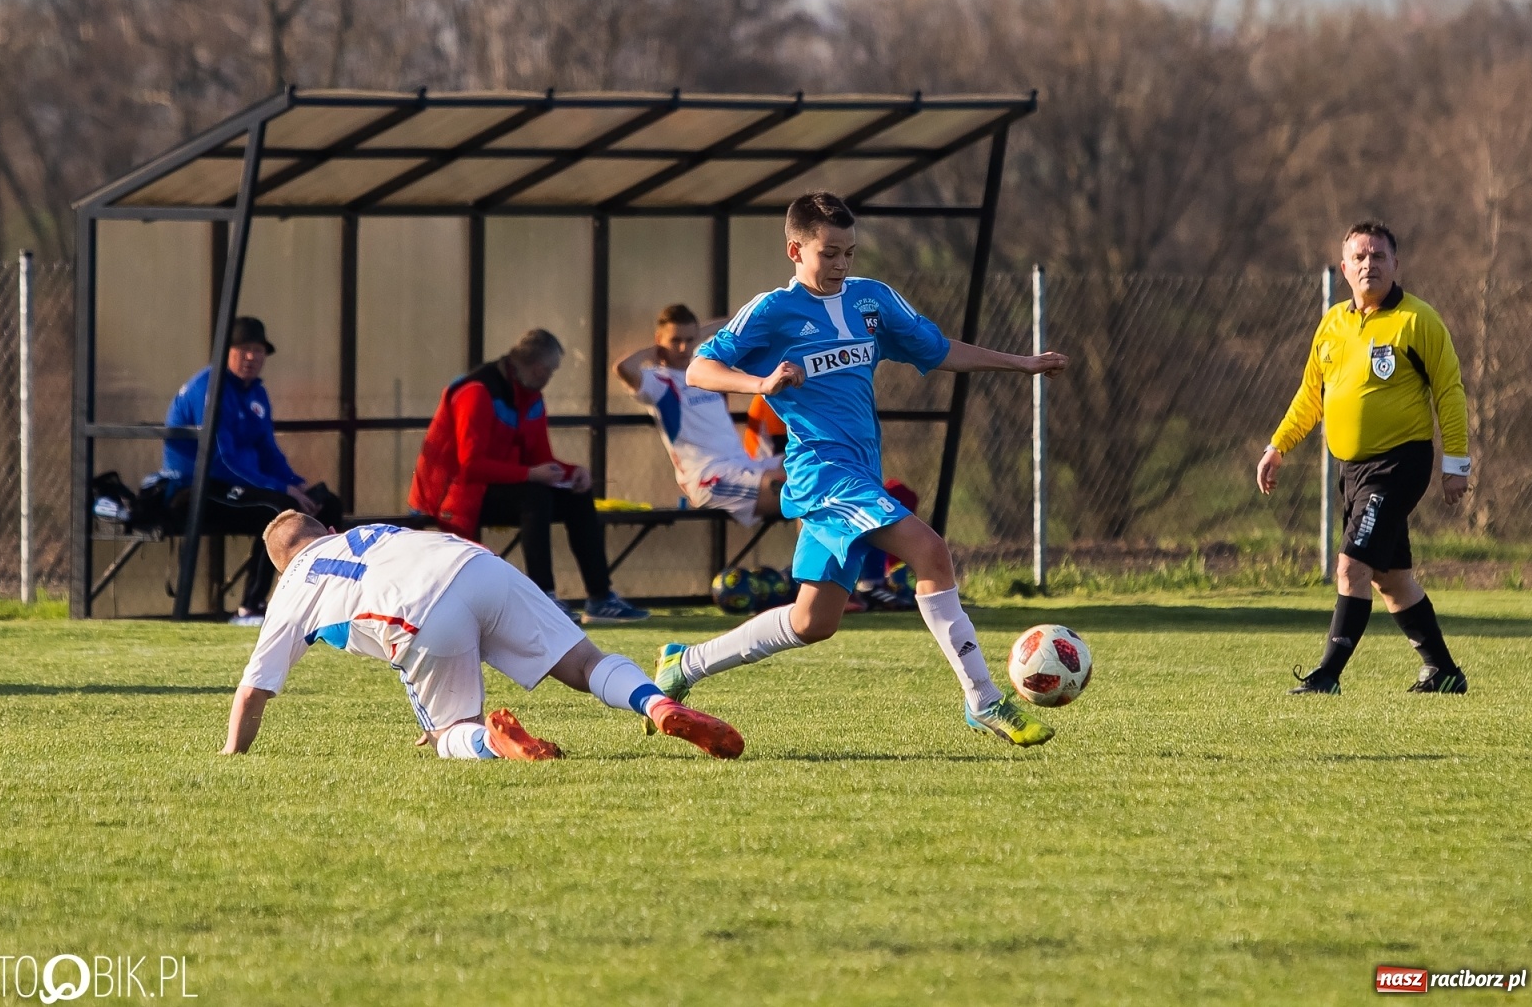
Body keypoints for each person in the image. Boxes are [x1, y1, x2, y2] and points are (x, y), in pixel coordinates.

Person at [646, 191, 1070, 747]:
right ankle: (984, 699)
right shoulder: (773, 311)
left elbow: (937, 349)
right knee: (930, 552)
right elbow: (700, 369)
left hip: (860, 473)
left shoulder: (873, 300)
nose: (841, 264)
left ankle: (684, 664)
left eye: (849, 252)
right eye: (829, 254)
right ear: (795, 250)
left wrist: (1021, 364)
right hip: (822, 473)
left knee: (813, 622)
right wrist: (761, 383)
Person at [220, 511, 743, 761]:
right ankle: (655, 703)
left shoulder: (292, 590)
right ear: (328, 532)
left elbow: (252, 692)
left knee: (450, 734)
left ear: (281, 566)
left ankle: (493, 741)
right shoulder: (369, 531)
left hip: (421, 615)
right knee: (586, 663)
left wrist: (231, 754)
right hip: (478, 566)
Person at [1258, 221, 1471, 695]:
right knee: (1390, 579)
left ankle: (1327, 675)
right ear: (1344, 268)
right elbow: (1310, 396)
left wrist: (1456, 464)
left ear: (1396, 264)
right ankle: (1443, 671)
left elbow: (1450, 392)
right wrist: (1278, 445)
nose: (1368, 264)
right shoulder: (1333, 323)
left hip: (1399, 465)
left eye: (1378, 256)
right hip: (1352, 471)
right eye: (1359, 257)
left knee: (1351, 566)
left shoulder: (1418, 321)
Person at [408, 328, 648, 624]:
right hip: (455, 496)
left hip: (497, 487)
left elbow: (540, 458)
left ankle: (600, 597)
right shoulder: (477, 392)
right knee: (535, 496)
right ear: (538, 368)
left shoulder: (531, 397)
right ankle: (543, 596)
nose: (550, 377)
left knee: (576, 495)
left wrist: (573, 473)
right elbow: (470, 466)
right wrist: (531, 474)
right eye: (551, 370)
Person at [157, 316, 341, 626]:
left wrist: (294, 482)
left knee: (327, 504)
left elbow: (267, 450)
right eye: (243, 349)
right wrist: (281, 489)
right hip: (198, 489)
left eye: (258, 350)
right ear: (225, 352)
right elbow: (223, 461)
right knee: (279, 511)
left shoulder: (255, 392)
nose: (251, 357)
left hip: (241, 486)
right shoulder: (210, 388)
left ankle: (316, 601)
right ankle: (250, 608)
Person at [613, 303, 786, 526]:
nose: (683, 348)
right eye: (675, 340)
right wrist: (654, 351)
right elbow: (623, 367)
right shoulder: (659, 381)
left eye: (689, 340)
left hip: (744, 464)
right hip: (710, 478)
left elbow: (734, 322)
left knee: (814, 469)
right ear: (659, 340)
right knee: (798, 491)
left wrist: (697, 335)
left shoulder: (703, 370)